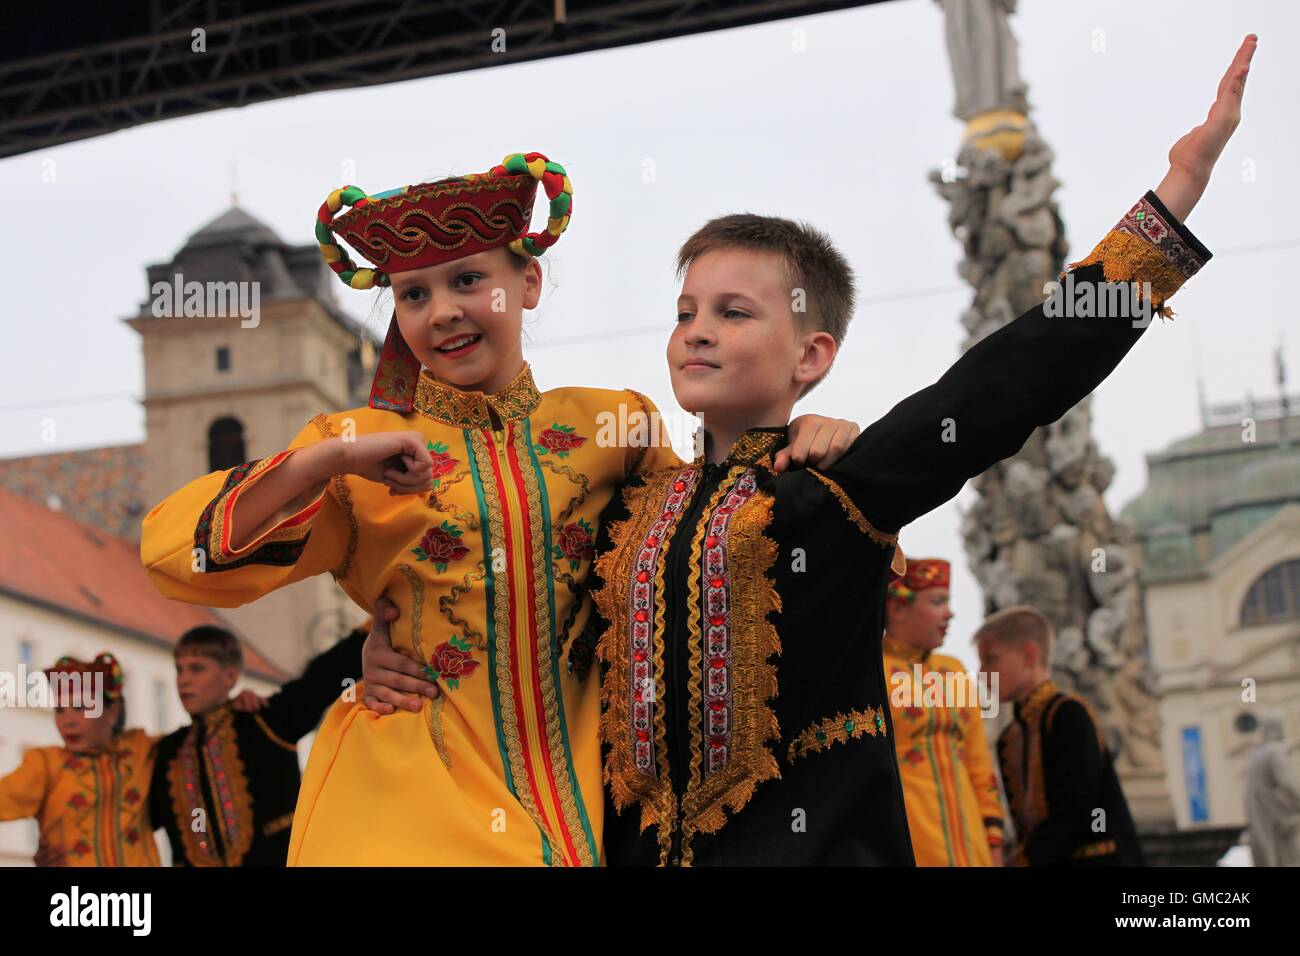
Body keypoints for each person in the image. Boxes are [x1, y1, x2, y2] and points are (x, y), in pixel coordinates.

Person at [362, 37, 1253, 865]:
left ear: (812, 356)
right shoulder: (625, 506)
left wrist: (1172, 200)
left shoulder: (837, 490)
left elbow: (998, 390)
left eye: (733, 313)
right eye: (685, 313)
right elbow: (507, 593)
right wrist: (384, 645)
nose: (696, 333)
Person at [140, 152, 854, 866]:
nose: (442, 311)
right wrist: (322, 460)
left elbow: (709, 549)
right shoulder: (359, 452)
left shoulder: (618, 428)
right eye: (412, 296)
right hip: (406, 805)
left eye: (469, 280)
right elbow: (180, 560)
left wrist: (802, 441)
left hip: (590, 807)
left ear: (530, 281)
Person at [149, 624, 363, 866]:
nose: (183, 680)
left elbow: (323, 677)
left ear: (230, 676)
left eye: (196, 669)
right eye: (179, 670)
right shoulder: (167, 754)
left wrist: (378, 625)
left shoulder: (266, 720)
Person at [975, 605, 1143, 865]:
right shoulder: (1009, 737)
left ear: (1029, 655)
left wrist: (1021, 861)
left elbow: (1077, 809)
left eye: (991, 659)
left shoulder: (1068, 714)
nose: (982, 673)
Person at [883, 558, 1004, 866]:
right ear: (897, 609)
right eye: (938, 601)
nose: (949, 613)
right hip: (908, 844)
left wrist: (993, 836)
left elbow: (978, 761)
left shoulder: (954, 671)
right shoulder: (872, 673)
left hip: (972, 844)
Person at [0, 653, 159, 866]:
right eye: (60, 710)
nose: (68, 721)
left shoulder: (140, 750)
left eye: (80, 707)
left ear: (112, 711)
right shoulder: (46, 765)